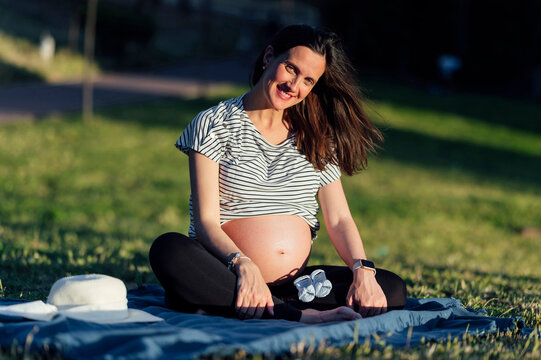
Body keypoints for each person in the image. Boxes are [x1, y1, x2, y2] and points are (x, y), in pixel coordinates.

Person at [149, 24, 407, 323]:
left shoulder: (317, 136)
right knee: (168, 250)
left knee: (390, 288)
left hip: (296, 285)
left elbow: (339, 219)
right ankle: (295, 315)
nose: (294, 85)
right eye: (290, 68)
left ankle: (262, 305)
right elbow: (206, 222)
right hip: (229, 270)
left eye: (308, 80)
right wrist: (244, 265)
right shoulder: (213, 123)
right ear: (269, 56)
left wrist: (363, 271)